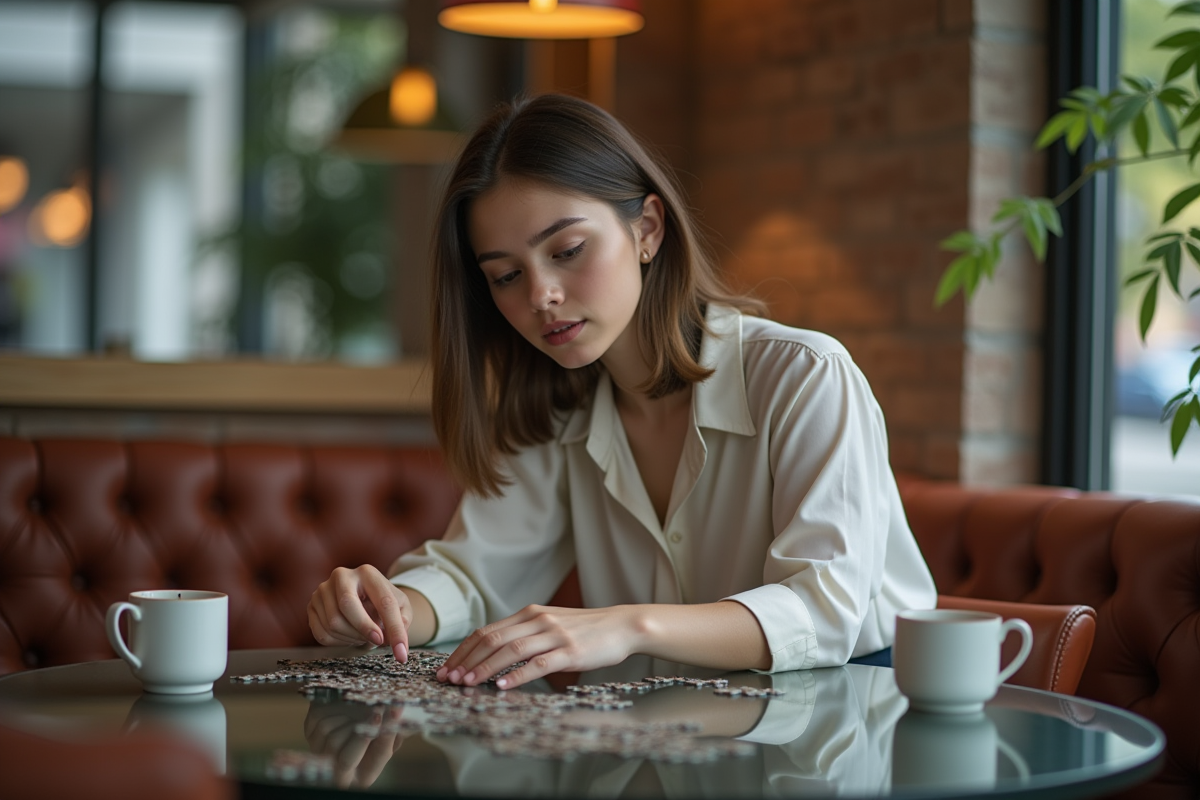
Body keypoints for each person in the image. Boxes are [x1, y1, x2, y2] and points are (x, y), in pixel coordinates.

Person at [307, 93, 936, 690]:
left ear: (648, 230)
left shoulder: (804, 376)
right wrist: (385, 610)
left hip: (852, 718)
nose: (540, 295)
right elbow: (475, 577)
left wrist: (626, 624)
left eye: (569, 250)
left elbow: (822, 611)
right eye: (505, 275)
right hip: (664, 734)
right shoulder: (553, 407)